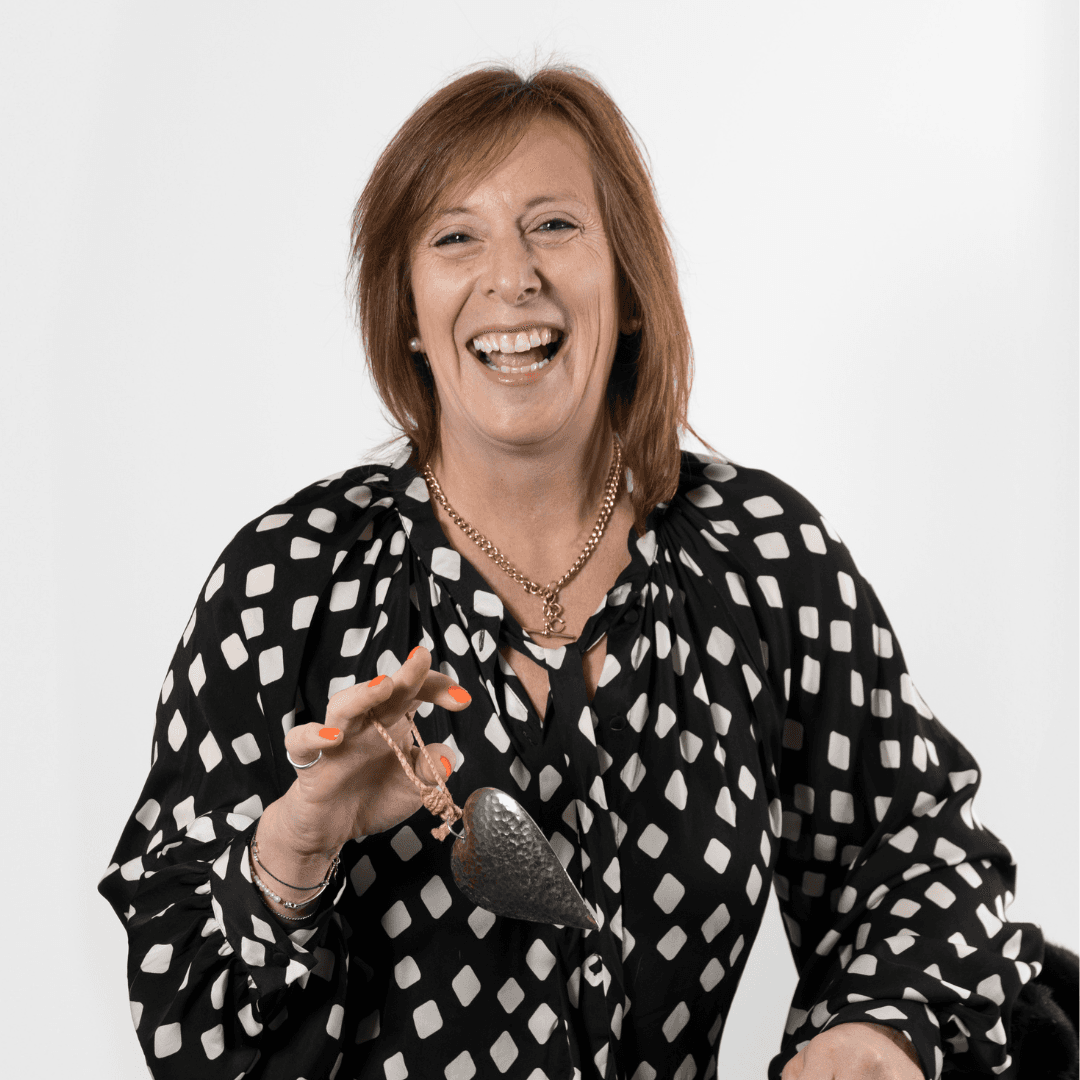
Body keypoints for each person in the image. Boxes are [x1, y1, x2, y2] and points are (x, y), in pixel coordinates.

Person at [100, 65, 1043, 1080]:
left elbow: (913, 853)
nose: (512, 278)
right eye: (456, 236)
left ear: (628, 287)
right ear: (408, 310)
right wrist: (296, 848)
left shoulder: (763, 558)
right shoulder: (288, 584)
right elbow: (190, 1029)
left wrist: (874, 1028)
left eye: (553, 225)